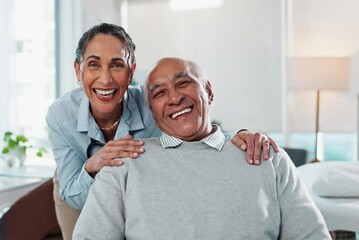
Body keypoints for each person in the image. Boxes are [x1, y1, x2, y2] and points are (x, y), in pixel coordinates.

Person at [46, 23, 279, 240]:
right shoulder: (60, 115)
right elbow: (72, 194)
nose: (105, 78)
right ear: (79, 70)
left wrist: (239, 138)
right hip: (77, 182)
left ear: (131, 72)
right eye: (93, 65)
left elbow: (197, 130)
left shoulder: (153, 103)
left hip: (133, 183)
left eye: (117, 65)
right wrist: (93, 165)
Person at [72, 57, 330, 239]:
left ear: (208, 91)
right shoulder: (124, 164)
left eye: (183, 83)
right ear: (152, 112)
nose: (174, 98)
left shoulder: (265, 156)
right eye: (160, 93)